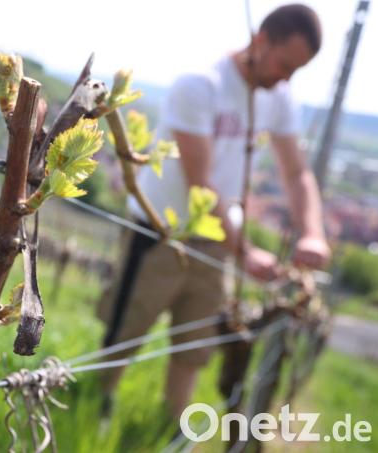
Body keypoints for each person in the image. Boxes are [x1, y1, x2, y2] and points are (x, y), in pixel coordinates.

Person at [97, 3, 331, 420]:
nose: (287, 78)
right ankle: (93, 413)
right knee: (124, 333)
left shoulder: (277, 99)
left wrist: (313, 232)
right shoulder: (200, 85)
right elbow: (201, 182)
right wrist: (246, 251)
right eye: (284, 64)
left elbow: (297, 173)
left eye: (298, 71)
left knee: (194, 344)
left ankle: (170, 428)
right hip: (159, 232)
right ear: (260, 41)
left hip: (217, 243)